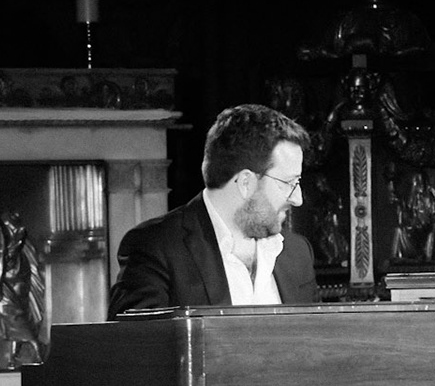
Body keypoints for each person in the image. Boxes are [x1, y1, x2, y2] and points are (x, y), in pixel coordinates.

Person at [109, 104, 320, 315]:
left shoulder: (298, 253)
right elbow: (137, 345)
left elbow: (320, 342)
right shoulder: (156, 248)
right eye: (289, 183)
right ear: (246, 182)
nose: (298, 199)